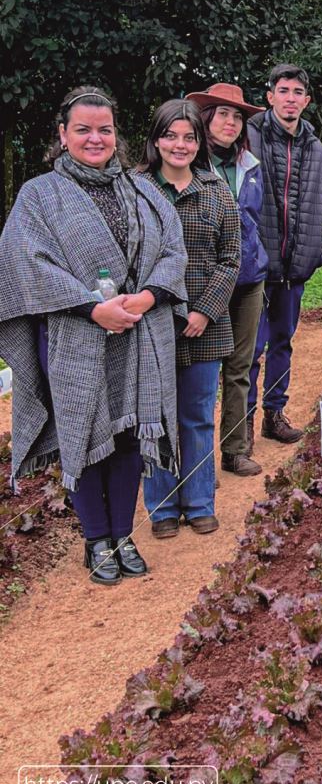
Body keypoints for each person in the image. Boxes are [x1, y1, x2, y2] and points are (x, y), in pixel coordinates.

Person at [0, 86, 188, 585]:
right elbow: (25, 262)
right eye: (82, 129)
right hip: (74, 335)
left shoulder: (144, 189)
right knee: (81, 435)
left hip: (138, 333)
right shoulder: (39, 195)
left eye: (104, 129)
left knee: (129, 434)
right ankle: (95, 542)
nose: (94, 138)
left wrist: (146, 298)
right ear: (62, 136)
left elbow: (173, 250)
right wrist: (93, 307)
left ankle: (123, 535)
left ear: (116, 135)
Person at [135, 99, 240, 538]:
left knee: (197, 414)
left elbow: (231, 258)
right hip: (150, 324)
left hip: (204, 326)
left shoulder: (216, 190)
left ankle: (198, 501)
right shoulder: (135, 190)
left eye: (189, 137)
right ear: (156, 140)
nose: (180, 145)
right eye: (171, 136)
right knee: (153, 416)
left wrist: (203, 310)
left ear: (199, 142)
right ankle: (161, 508)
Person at [245, 63, 322, 447]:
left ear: (306, 101)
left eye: (297, 92)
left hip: (295, 267)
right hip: (255, 267)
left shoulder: (316, 149)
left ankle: (274, 415)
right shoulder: (249, 139)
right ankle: (241, 425)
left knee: (283, 340)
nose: (290, 98)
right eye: (283, 91)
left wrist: (319, 248)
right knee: (250, 348)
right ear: (270, 97)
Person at [185, 83, 268, 477]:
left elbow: (255, 220)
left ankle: (235, 448)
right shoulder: (190, 165)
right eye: (223, 114)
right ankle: (197, 467)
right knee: (200, 372)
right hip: (204, 283)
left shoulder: (250, 166)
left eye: (238, 116)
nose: (231, 122)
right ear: (206, 119)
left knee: (240, 366)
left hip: (249, 279)